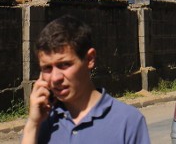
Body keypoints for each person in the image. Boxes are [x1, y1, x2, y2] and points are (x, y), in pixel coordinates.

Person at [22, 15, 151, 144]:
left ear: (89, 59)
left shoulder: (127, 122)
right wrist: (32, 125)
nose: (55, 78)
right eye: (47, 68)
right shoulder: (42, 123)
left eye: (64, 64)